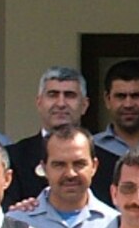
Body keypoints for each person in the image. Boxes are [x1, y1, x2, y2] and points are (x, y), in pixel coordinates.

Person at [7, 66, 111, 204]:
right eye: (53, 95)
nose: (61, 103)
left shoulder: (109, 163)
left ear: (84, 105)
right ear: (39, 102)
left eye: (69, 95)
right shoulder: (12, 158)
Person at [93, 59, 139, 159]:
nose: (128, 104)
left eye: (136, 96)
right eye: (121, 96)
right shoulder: (89, 148)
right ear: (107, 99)